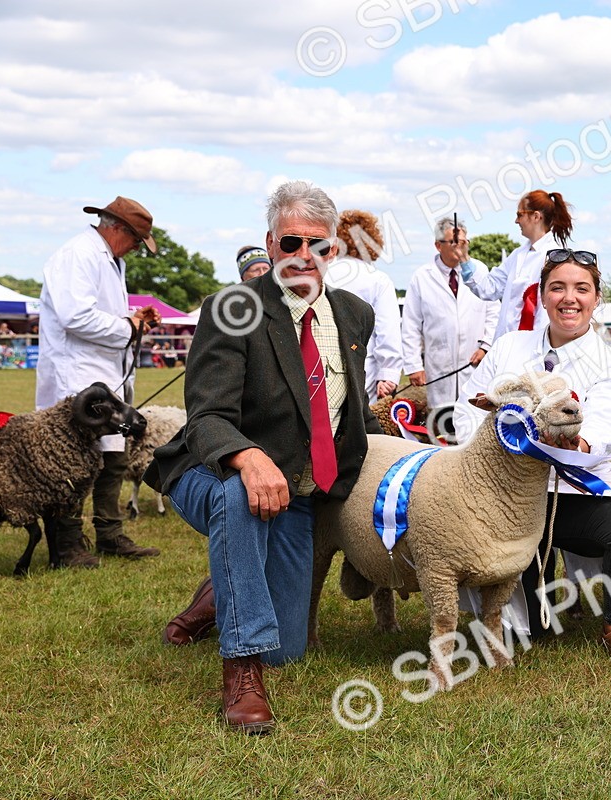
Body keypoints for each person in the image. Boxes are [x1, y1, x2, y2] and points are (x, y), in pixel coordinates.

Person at [146, 181, 382, 734]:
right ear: (271, 244)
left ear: (335, 251)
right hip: (210, 474)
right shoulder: (232, 310)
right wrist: (246, 456)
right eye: (292, 242)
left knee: (290, 650)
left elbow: (349, 410)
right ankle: (242, 672)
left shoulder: (354, 315)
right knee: (239, 496)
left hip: (296, 494)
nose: (305, 256)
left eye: (319, 245)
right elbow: (207, 417)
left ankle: (217, 597)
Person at [453, 248, 611, 664]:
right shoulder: (508, 347)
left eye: (581, 288)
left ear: (596, 298)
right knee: (527, 631)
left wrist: (578, 445)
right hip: (507, 493)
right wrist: (480, 461)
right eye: (558, 288)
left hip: (569, 490)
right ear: (542, 295)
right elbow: (467, 408)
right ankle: (522, 598)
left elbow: (604, 430)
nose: (570, 298)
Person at [36, 196, 162, 567]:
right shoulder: (79, 254)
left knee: (113, 457)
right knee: (72, 462)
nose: (138, 248)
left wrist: (132, 319)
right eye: (137, 240)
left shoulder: (109, 260)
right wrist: (127, 326)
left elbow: (98, 312)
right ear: (118, 229)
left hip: (101, 376)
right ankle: (67, 544)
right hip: (76, 376)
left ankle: (109, 533)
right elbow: (76, 316)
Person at [401, 216, 498, 423]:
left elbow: (493, 312)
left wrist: (486, 346)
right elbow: (410, 324)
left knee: (473, 420)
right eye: (454, 242)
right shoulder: (422, 276)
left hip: (473, 362)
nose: (460, 247)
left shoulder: (479, 270)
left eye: (463, 242)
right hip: (439, 366)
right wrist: (413, 365)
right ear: (438, 245)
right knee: (441, 425)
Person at [462, 190, 573, 341]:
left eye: (520, 214)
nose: (516, 221)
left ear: (536, 216)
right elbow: (488, 288)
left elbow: (548, 315)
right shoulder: (517, 255)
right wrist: (463, 258)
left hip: (535, 348)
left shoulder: (556, 258)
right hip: (506, 346)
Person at [324, 210, 403, 401]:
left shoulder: (323, 273)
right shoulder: (378, 280)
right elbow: (387, 330)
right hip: (364, 370)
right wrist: (388, 374)